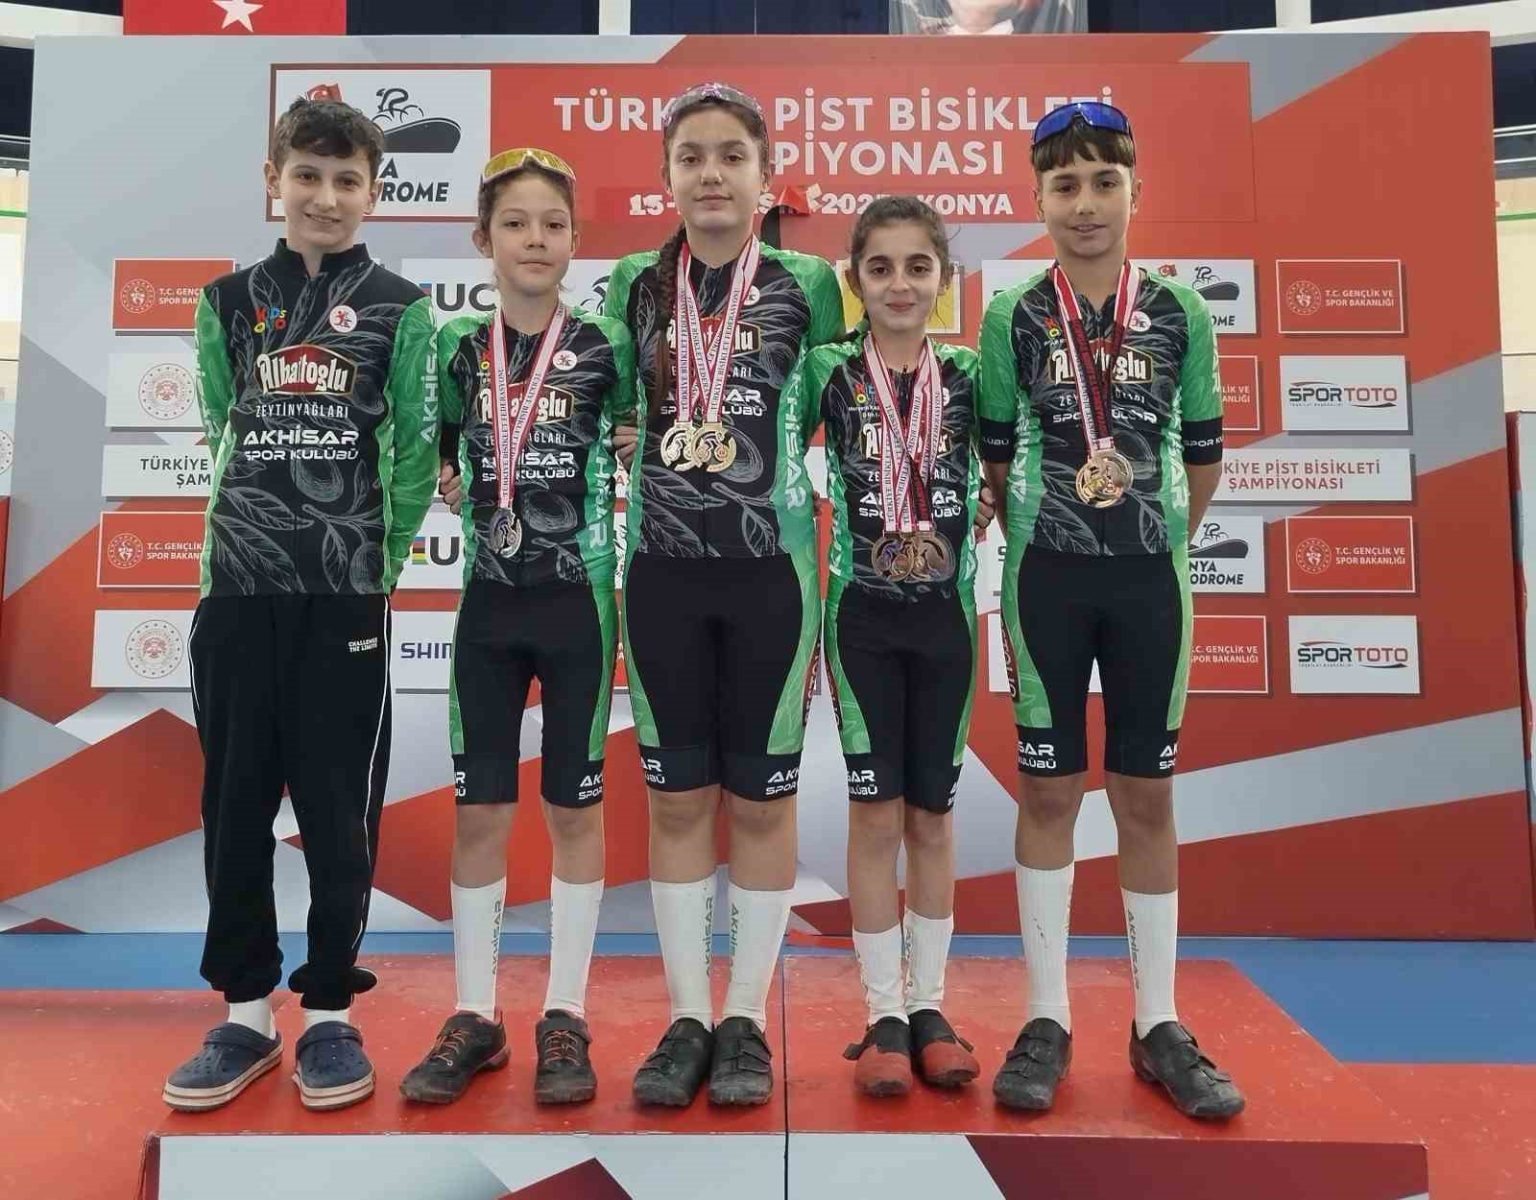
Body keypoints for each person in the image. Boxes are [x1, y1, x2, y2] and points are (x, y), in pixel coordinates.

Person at [163, 92, 438, 1112]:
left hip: (345, 598)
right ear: (273, 180)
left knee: (338, 814)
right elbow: (219, 429)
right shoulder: (225, 301)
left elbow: (414, 454)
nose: (326, 196)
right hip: (237, 594)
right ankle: (245, 1012)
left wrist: (375, 569)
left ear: (374, 192)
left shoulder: (403, 308)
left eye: (347, 180)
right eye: (308, 176)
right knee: (234, 807)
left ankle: (327, 1011)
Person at [977, 101, 1244, 1119]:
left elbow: (1203, 459)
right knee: (1048, 794)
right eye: (1064, 185)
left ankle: (1157, 1021)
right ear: (1039, 199)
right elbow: (994, 459)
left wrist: (1152, 530)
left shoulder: (1181, 311)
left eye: (1103, 182)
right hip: (1045, 580)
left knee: (1146, 795)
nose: (1084, 203)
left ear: (1135, 191)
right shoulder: (1012, 315)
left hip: (1148, 583)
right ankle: (1046, 1017)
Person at [603, 81, 843, 1108]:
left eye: (731, 157)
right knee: (675, 798)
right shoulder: (631, 282)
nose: (711, 174)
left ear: (765, 176)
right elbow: (611, 408)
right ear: (666, 175)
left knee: (762, 799)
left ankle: (745, 1017)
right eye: (691, 156)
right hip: (660, 571)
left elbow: (830, 408)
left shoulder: (810, 282)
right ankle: (686, 1017)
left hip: (770, 574)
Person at [398, 148, 634, 1107]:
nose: (535, 240)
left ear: (575, 241)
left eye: (553, 224)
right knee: (481, 811)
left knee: (575, 810)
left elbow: (645, 436)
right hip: (489, 608)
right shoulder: (459, 347)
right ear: (482, 239)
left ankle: (565, 1014)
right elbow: (437, 444)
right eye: (515, 224)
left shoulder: (609, 344)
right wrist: (448, 466)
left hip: (580, 603)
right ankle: (476, 1014)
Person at [802, 196, 983, 1097]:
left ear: (944, 279)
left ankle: (930, 1006)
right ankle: (882, 1012)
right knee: (876, 816)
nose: (900, 284)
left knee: (933, 819)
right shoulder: (827, 373)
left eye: (918, 267)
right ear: (855, 280)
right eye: (881, 268)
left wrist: (991, 505)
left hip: (948, 619)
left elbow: (1019, 464)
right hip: (862, 620)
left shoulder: (974, 375)